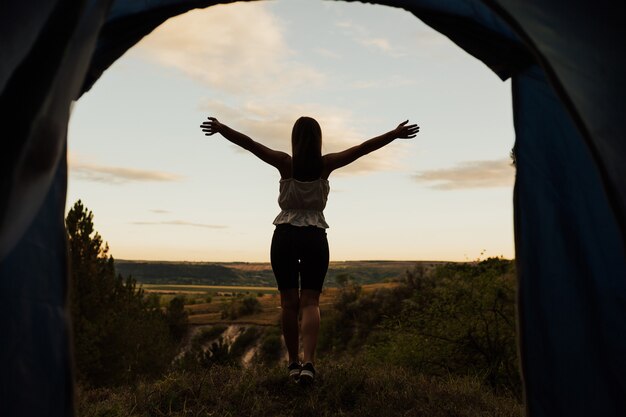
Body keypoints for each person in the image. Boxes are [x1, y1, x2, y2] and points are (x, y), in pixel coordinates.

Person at [200, 116, 419, 384]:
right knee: (311, 302)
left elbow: (250, 144)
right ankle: (309, 363)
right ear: (318, 139)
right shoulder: (326, 164)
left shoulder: (285, 163)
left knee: (288, 303)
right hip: (315, 236)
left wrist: (222, 129)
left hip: (285, 236)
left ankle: (292, 362)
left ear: (294, 139)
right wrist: (394, 134)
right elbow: (363, 148)